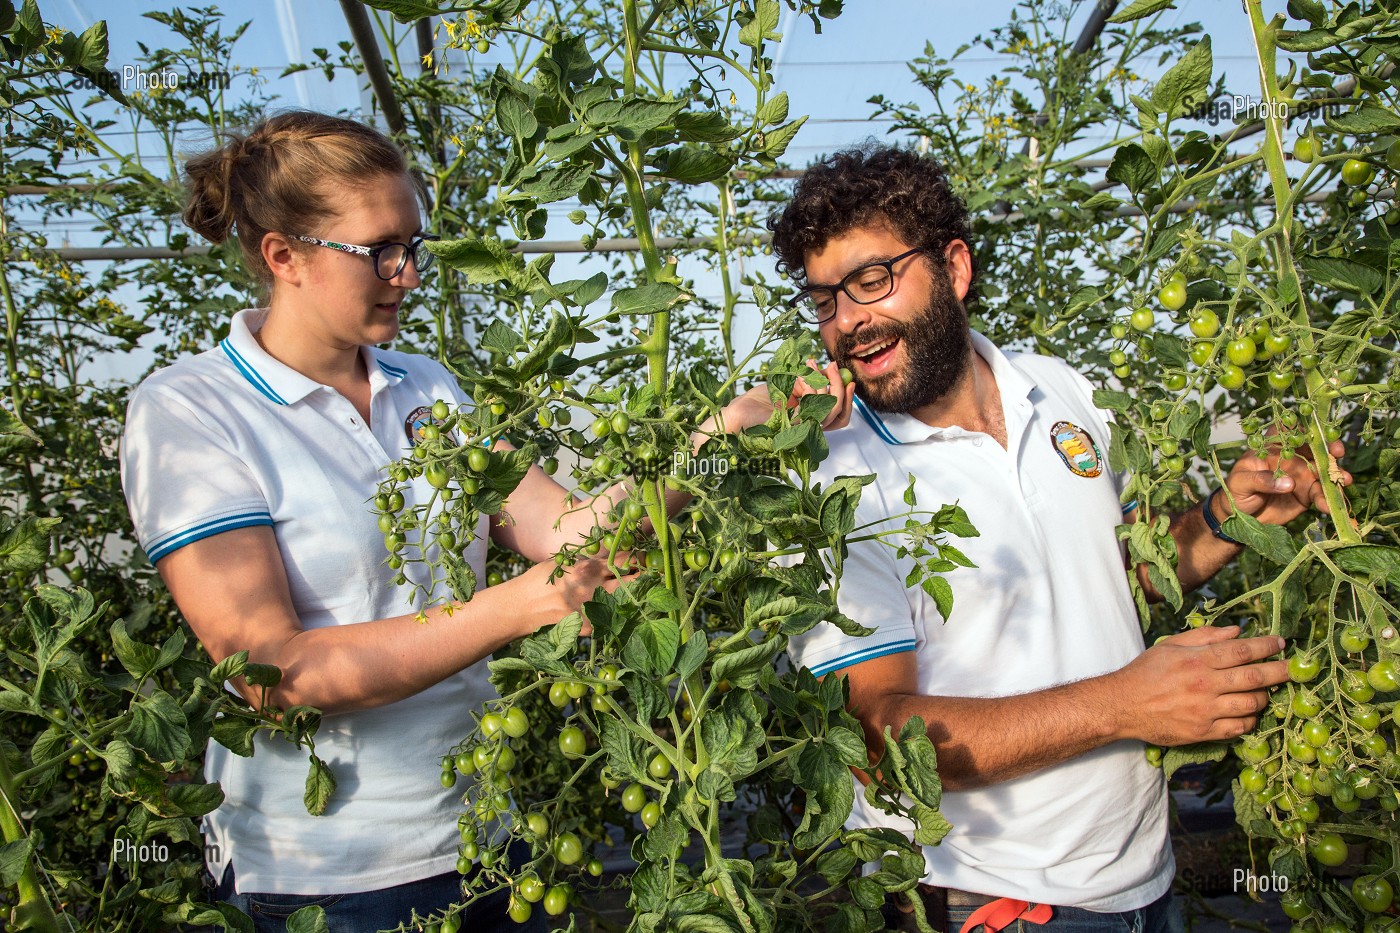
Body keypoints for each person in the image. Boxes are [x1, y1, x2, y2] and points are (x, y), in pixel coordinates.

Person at [119, 111, 823, 933]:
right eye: (379, 250)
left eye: (413, 246)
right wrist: (521, 605)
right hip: (329, 876)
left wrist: (731, 433)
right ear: (285, 256)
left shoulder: (425, 388)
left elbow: (570, 530)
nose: (407, 273)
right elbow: (274, 674)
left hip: (487, 840)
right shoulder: (191, 412)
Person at [770, 144, 1350, 933]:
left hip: (1146, 883)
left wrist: (1231, 516)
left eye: (872, 281)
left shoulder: (1061, 389)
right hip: (993, 905)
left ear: (956, 267)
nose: (848, 321)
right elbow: (876, 739)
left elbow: (1110, 581)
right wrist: (1126, 704)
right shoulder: (831, 485)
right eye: (825, 299)